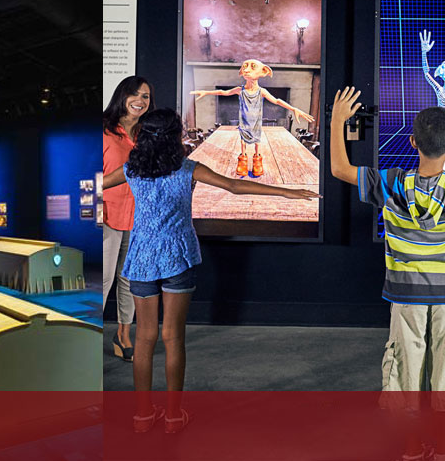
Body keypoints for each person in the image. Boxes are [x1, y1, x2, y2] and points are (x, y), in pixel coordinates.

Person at [99, 109, 318, 434]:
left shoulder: (132, 169)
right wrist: (287, 192)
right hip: (179, 260)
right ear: (174, 138)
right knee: (173, 338)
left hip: (142, 261)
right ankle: (174, 416)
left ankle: (143, 416)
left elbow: (99, 184)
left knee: (143, 339)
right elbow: (234, 186)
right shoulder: (188, 169)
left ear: (144, 138)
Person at [330, 87, 445, 460]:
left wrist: (336, 121)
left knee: (409, 377)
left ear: (412, 142)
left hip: (407, 296)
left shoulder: (393, 183)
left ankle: (413, 449)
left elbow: (338, 169)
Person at [190, 59, 315, 177]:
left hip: (256, 123)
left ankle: (257, 160)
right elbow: (223, 92)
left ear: (264, 71)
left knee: (256, 141)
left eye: (252, 67)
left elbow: (276, 101)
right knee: (243, 141)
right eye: (244, 67)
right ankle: (243, 160)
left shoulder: (262, 92)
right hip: (244, 122)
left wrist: (293, 109)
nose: (247, 70)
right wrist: (206, 92)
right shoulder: (240, 90)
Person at [102, 75, 153, 362]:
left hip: (139, 217)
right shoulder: (105, 130)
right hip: (107, 215)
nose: (140, 101)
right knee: (105, 280)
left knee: (128, 280)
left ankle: (122, 336)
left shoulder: (148, 133)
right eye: (135, 94)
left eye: (145, 96)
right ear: (122, 95)